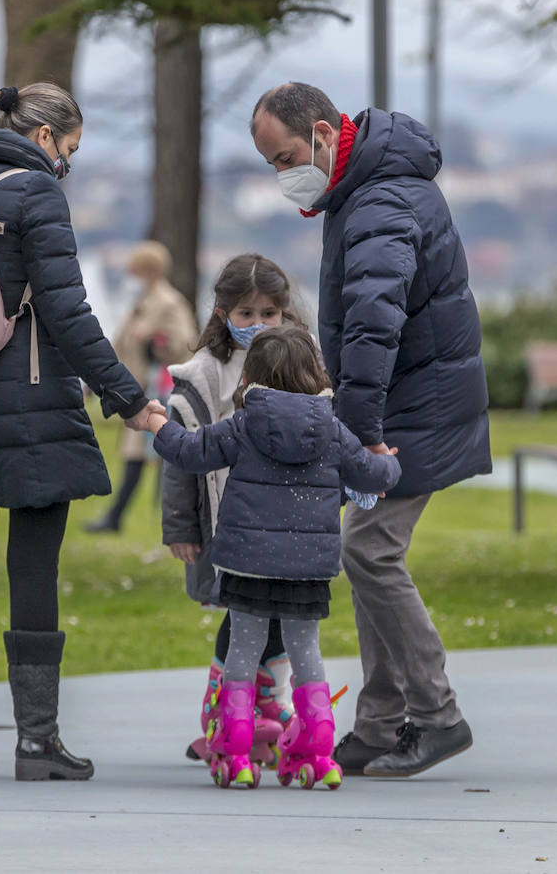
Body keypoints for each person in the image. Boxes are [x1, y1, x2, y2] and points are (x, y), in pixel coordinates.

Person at [0, 82, 163, 782]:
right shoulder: (35, 193)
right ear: (46, 135)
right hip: (27, 399)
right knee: (32, 562)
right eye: (71, 151)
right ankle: (37, 743)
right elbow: (67, 313)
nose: (67, 166)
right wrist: (128, 398)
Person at [250, 83, 490, 777]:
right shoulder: (369, 188)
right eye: (271, 164)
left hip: (417, 409)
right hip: (416, 400)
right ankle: (381, 725)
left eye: (287, 156)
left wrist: (359, 433)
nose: (283, 174)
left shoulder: (380, 199)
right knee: (365, 553)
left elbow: (373, 323)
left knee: (369, 551)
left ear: (325, 133)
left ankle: (438, 715)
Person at [144, 325, 403, 788]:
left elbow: (191, 451)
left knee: (244, 649)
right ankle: (319, 745)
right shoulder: (332, 429)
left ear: (254, 375)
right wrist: (391, 460)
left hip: (247, 563)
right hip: (308, 569)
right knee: (306, 650)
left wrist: (158, 423)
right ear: (314, 372)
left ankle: (235, 746)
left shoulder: (246, 423)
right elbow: (372, 473)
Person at [160, 254, 305, 765]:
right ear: (222, 314)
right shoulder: (203, 376)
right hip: (224, 522)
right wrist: (180, 524)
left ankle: (271, 703)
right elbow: (180, 457)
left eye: (269, 313)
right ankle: (225, 707)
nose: (259, 325)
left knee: (285, 614)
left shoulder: (299, 365)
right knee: (245, 612)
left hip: (287, 520)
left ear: (285, 312)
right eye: (246, 314)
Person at [85, 240, 197, 534]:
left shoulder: (168, 303)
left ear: (146, 270)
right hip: (135, 388)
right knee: (137, 457)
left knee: (144, 457)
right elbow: (119, 345)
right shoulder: (143, 301)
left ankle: (125, 518)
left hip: (155, 393)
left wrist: (154, 341)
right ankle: (122, 517)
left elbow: (185, 344)